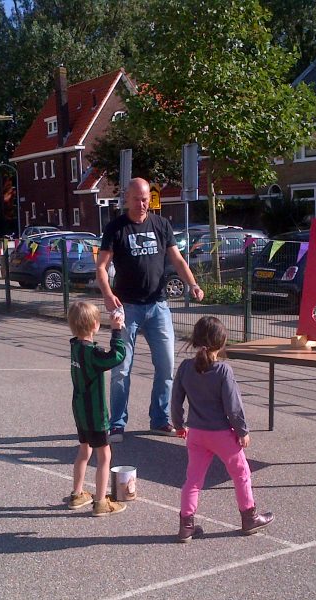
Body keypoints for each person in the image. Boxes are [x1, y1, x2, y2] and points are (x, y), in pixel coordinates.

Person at [96, 177, 205, 443]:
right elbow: (101, 268)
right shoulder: (116, 228)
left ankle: (159, 419)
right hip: (127, 307)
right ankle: (118, 424)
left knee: (166, 365)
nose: (142, 204)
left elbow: (177, 259)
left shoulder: (161, 224)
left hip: (158, 305)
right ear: (127, 199)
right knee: (121, 368)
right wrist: (108, 295)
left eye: (146, 199)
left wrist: (192, 283)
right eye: (137, 199)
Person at [171, 316, 274, 542]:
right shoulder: (223, 370)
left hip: (196, 434)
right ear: (222, 341)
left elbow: (176, 399)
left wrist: (178, 425)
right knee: (241, 474)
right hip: (222, 435)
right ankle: (249, 517)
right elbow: (233, 407)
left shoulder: (186, 367)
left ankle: (186, 525)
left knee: (193, 479)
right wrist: (242, 431)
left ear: (195, 340)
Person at [67, 300, 128, 516]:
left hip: (80, 411)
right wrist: (117, 330)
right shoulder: (93, 353)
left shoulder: (75, 347)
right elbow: (117, 356)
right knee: (105, 456)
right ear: (95, 325)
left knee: (84, 450)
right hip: (95, 413)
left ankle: (77, 494)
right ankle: (101, 502)